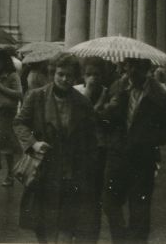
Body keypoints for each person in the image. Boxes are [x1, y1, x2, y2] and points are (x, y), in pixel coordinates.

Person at [13, 53, 98, 243]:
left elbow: (91, 139)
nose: (65, 79)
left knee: (67, 222)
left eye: (69, 75)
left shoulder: (83, 103)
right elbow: (19, 123)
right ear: (53, 73)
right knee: (42, 222)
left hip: (71, 171)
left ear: (76, 76)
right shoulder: (37, 96)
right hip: (44, 170)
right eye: (60, 74)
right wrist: (33, 143)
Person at [98, 58, 166, 243]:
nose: (132, 71)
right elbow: (103, 121)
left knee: (140, 208)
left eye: (137, 67)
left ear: (147, 69)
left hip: (143, 158)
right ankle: (120, 237)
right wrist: (110, 108)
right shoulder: (117, 87)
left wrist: (150, 139)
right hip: (117, 154)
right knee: (109, 202)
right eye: (129, 66)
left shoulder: (159, 94)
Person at [74, 56, 112, 242]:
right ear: (82, 75)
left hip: (99, 148)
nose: (92, 78)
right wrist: (92, 98)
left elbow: (106, 120)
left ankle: (91, 236)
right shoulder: (77, 92)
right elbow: (80, 117)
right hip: (79, 148)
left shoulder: (109, 93)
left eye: (96, 74)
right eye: (88, 74)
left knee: (94, 194)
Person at [0, 47, 23, 186]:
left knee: (7, 145)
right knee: (2, 143)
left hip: (7, 113)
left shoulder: (13, 75)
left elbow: (19, 93)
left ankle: (11, 173)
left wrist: (1, 88)